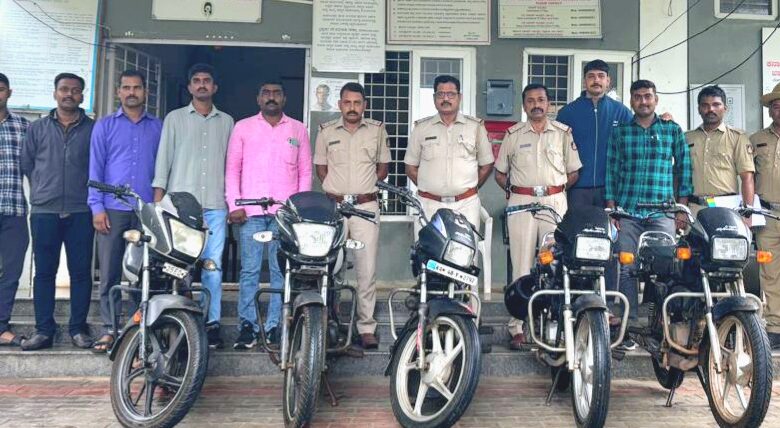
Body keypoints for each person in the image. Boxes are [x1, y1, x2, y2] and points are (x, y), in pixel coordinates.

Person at [605, 79, 692, 351]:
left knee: (665, 269)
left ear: (656, 100)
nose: (643, 101)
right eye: (638, 97)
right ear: (631, 101)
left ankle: (661, 327)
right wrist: (612, 210)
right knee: (626, 268)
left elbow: (684, 170)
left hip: (662, 212)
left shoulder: (672, 130)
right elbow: (611, 171)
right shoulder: (620, 133)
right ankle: (628, 327)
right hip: (628, 212)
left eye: (648, 96)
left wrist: (681, 208)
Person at [495, 84, 582, 350]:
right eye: (531, 100)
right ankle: (517, 326)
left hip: (554, 202)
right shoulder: (513, 134)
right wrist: (516, 193)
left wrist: (554, 192)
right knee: (521, 265)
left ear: (549, 104)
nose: (536, 105)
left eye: (541, 100)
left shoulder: (563, 133)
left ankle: (554, 324)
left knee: (554, 263)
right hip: (521, 202)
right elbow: (500, 173)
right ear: (524, 106)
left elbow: (573, 172)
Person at [153, 63, 234, 348]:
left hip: (215, 205)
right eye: (196, 80)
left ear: (215, 87)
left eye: (206, 80)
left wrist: (231, 201)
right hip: (179, 208)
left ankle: (211, 323)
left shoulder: (227, 122)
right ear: (189, 87)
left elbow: (232, 165)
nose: (201, 85)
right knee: (179, 266)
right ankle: (181, 321)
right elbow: (163, 159)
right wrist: (159, 202)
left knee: (213, 267)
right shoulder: (174, 119)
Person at [226, 81, 311, 350]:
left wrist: (298, 209)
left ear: (284, 99)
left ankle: (275, 325)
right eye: (266, 93)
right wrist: (234, 204)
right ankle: (247, 326)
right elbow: (232, 169)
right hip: (250, 211)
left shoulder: (298, 129)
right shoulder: (243, 127)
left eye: (276, 94)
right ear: (258, 99)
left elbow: (305, 172)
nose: (271, 97)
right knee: (250, 270)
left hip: (284, 214)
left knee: (280, 270)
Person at [88, 70, 162, 353]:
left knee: (142, 272)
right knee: (109, 272)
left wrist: (158, 208)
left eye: (137, 87)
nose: (132, 92)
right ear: (118, 91)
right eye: (126, 87)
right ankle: (110, 328)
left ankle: (137, 327)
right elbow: (95, 169)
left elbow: (163, 168)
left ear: (146, 92)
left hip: (145, 210)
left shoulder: (157, 127)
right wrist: (97, 207)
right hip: (112, 209)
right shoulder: (105, 126)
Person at [20, 73, 95, 351]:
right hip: (44, 211)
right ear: (55, 93)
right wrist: (43, 189)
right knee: (44, 272)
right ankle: (43, 330)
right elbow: (27, 164)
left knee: (81, 273)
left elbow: (98, 165)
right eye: (64, 89)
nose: (69, 94)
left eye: (75, 90)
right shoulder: (37, 128)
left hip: (81, 210)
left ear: (82, 96)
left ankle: (78, 329)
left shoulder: (93, 129)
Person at [314, 82, 390, 349]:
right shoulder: (325, 131)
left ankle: (366, 327)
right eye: (347, 102)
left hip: (365, 207)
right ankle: (327, 322)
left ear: (364, 105)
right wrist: (338, 191)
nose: (352, 107)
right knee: (330, 267)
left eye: (357, 103)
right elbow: (321, 169)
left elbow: (383, 168)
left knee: (366, 269)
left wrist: (362, 190)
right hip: (334, 208)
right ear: (340, 105)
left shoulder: (377, 130)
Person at [404, 74, 494, 231]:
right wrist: (430, 187)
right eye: (440, 94)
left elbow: (486, 165)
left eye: (451, 94)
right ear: (434, 98)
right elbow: (410, 168)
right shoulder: (421, 128)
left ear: (459, 97)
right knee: (428, 246)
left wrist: (468, 188)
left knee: (465, 246)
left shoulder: (475, 127)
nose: (445, 99)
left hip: (466, 205)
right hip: (429, 204)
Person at [557, 59, 633, 209]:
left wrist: (663, 118)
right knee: (577, 224)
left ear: (608, 81)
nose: (596, 80)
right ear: (584, 81)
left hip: (611, 190)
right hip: (577, 188)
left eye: (601, 76)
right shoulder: (567, 113)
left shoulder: (621, 111)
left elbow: (640, 130)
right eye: (591, 76)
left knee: (609, 225)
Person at [686, 85, 755, 219]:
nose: (710, 109)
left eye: (716, 105)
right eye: (705, 105)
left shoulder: (737, 137)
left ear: (725, 108)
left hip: (726, 209)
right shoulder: (687, 138)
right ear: (699, 109)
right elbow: (679, 176)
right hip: (694, 209)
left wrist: (748, 215)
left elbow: (747, 178)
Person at [0, 72, 30, 347]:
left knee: (10, 272)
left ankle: (1, 326)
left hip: (14, 209)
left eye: (1, 89)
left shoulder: (23, 126)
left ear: (9, 92)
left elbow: (36, 166)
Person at [751, 83, 780, 348]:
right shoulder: (756, 139)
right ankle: (774, 327)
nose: (779, 110)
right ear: (770, 111)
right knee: (770, 273)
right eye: (776, 106)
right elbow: (747, 177)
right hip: (768, 215)